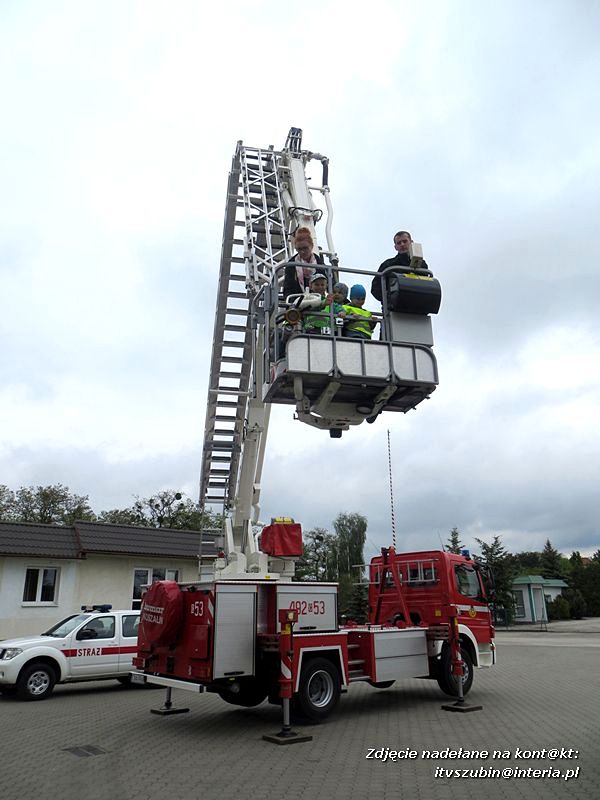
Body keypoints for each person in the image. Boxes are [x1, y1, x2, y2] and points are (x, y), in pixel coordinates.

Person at [370, 230, 429, 303]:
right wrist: (390, 299)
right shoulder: (388, 265)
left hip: (418, 305)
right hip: (396, 307)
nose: (402, 244)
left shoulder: (422, 264)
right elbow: (375, 288)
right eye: (399, 243)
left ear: (411, 243)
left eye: (405, 241)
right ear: (395, 247)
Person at [283, 226, 326, 299]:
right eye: (299, 249)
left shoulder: (320, 264)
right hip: (297, 302)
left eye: (305, 248)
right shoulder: (291, 265)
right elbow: (288, 289)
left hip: (317, 301)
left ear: (312, 246)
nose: (302, 252)